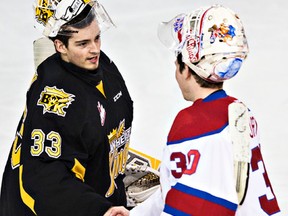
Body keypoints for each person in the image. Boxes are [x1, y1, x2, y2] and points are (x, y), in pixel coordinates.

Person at [130, 4, 281, 216]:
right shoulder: (239, 111)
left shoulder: (193, 124)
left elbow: (187, 208)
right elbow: (181, 187)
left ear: (186, 68)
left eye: (177, 61)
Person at [0, 0, 132, 215]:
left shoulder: (98, 66)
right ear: (60, 46)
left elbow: (89, 134)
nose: (94, 49)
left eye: (97, 38)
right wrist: (100, 210)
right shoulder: (56, 101)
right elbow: (46, 178)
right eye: (82, 43)